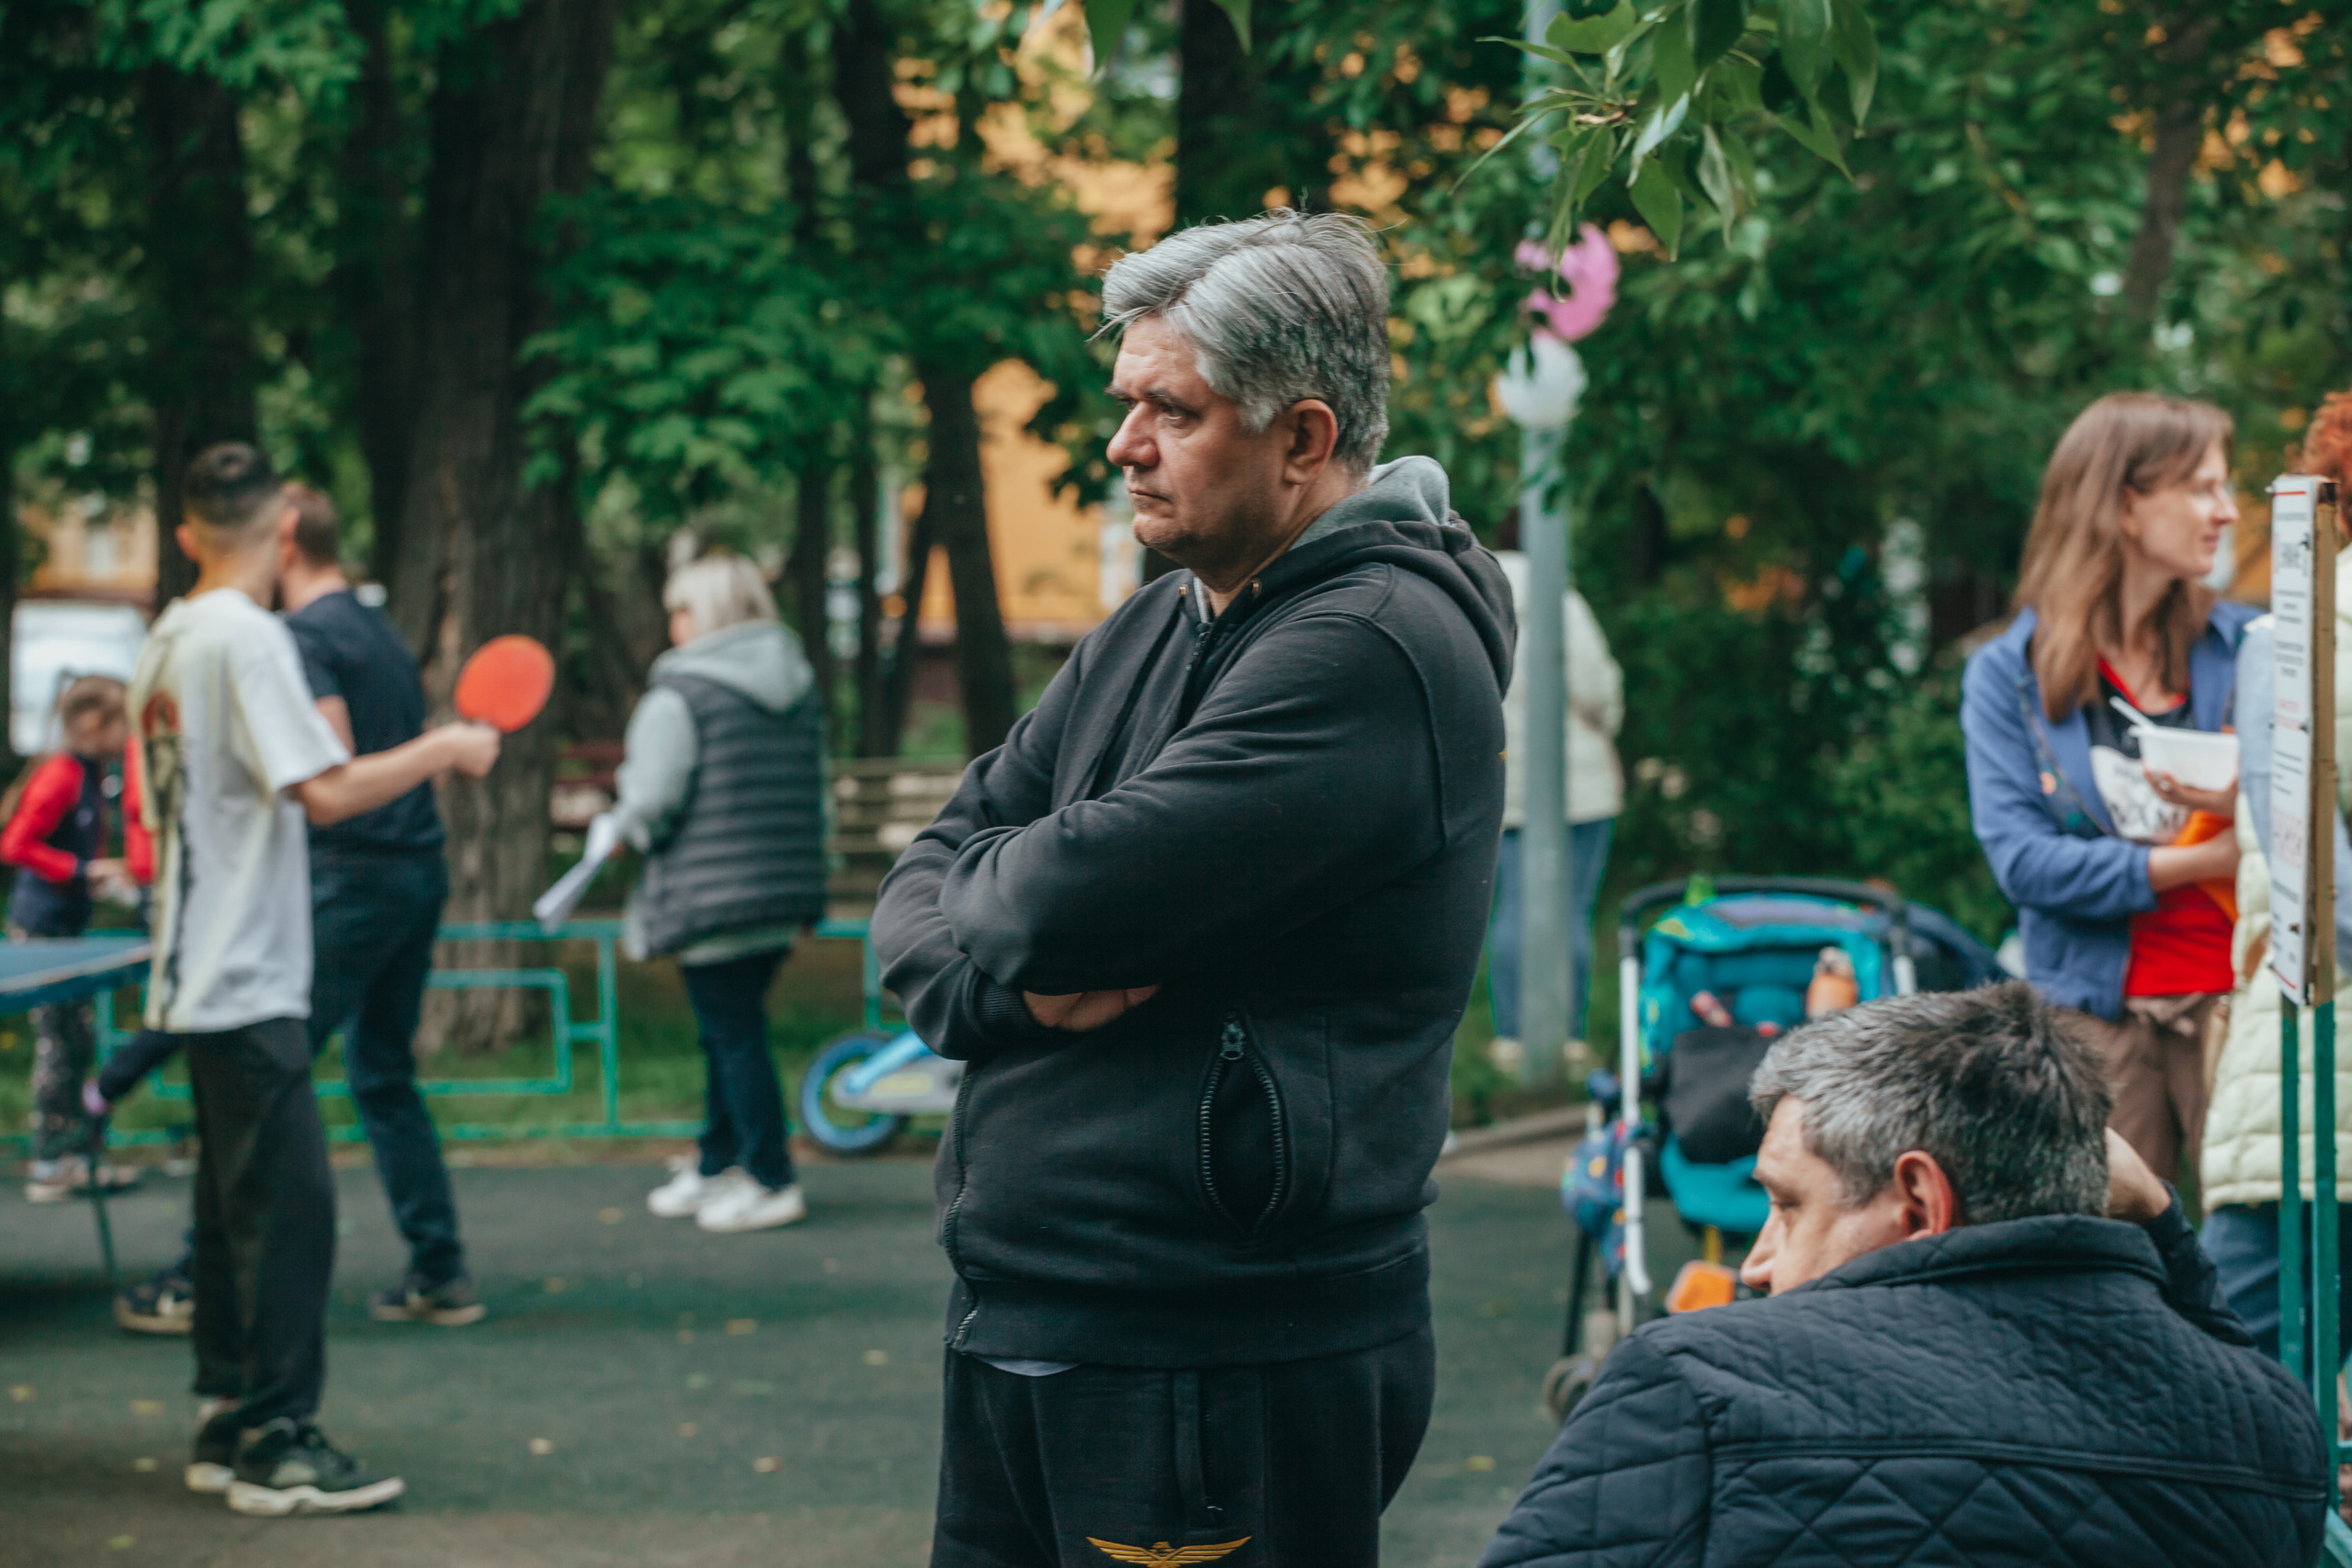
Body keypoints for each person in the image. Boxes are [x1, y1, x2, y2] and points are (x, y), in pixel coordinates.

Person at [872, 210, 1512, 1567]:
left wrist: (1016, 907)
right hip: (1047, 1312)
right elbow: (936, 870)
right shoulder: (1172, 609)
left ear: (1304, 438)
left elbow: (1048, 896)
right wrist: (1018, 977)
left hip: (1212, 1349)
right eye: (1128, 404)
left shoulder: (1372, 649)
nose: (1124, 444)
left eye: (1172, 407)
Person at [1480, 982, 2327, 1567]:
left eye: (1786, 1205)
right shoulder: (2271, 1432)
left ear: (1920, 1200)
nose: (1756, 1264)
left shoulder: (1697, 1383)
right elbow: (2243, 1381)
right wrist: (2165, 1227)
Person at [126, 443, 499, 1517]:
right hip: (247, 969)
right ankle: (277, 1442)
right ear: (284, 530)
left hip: (196, 961)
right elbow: (326, 792)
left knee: (230, 1204)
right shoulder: (246, 638)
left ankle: (225, 1418)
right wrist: (445, 748)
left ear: (190, 533)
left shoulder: (169, 635)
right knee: (289, 1215)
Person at [1961, 392, 2254, 1180]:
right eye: (2202, 488)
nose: (2226, 512)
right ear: (2126, 507)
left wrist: (2244, 819)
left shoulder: (2251, 649)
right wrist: (2195, 860)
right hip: (2095, 1015)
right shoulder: (2008, 678)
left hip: (2246, 1005)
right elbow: (2024, 864)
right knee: (2113, 1265)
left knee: (2260, 1259)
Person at [276, 484, 481, 1325]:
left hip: (354, 881)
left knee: (272, 1068)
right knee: (382, 1073)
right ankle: (440, 1269)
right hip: (415, 874)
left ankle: (195, 1272)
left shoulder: (305, 635)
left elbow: (331, 771)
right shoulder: (377, 627)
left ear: (284, 537)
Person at [614, 553, 826, 1235]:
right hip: (780, 887)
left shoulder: (681, 694)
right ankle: (717, 1160)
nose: (672, 623)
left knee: (732, 1035)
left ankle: (770, 1176)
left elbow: (651, 799)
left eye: (681, 610)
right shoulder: (796, 685)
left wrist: (618, 827)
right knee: (728, 1029)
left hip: (709, 891)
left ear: (705, 617)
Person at [2203, 389, 2352, 1361]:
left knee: (2225, 1406)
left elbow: (2322, 904)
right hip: (2305, 1082)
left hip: (2304, 1090)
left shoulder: (2285, 643)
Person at [5, 673, 151, 1201]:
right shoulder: (61, 775)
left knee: (79, 1040)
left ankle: (72, 1152)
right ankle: (49, 1161)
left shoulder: (94, 774)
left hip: (69, 926)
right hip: (41, 928)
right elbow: (16, 844)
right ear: (93, 724)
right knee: (58, 1045)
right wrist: (80, 871)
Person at [1485, 550, 1622, 1071]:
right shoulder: (1560, 601)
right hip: (1576, 783)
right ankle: (1567, 1038)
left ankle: (1512, 1038)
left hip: (1506, 778)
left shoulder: (1472, 594)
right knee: (1571, 908)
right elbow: (1596, 689)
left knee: (1513, 905)